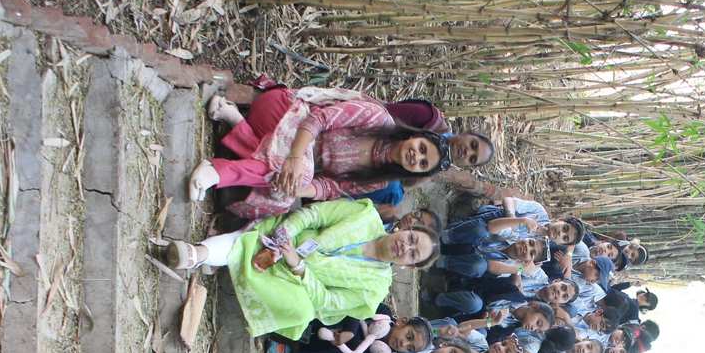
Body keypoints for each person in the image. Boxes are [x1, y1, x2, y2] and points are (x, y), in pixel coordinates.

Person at [189, 86, 491, 218]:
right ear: (417, 137)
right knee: (294, 169)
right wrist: (296, 160)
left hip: (284, 155)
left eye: (422, 163)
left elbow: (331, 187)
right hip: (287, 117)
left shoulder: (380, 181)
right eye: (421, 148)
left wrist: (297, 188)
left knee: (285, 194)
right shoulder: (377, 119)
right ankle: (217, 171)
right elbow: (318, 119)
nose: (417, 156)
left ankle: (235, 122)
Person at [164, 198, 436, 341]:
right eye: (412, 239)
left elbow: (329, 302)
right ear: (407, 228)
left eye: (413, 255)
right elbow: (316, 215)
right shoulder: (366, 215)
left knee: (303, 311)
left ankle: (221, 260)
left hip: (299, 283)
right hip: (288, 236)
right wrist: (286, 235)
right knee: (260, 239)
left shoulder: (375, 291)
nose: (405, 247)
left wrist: (299, 267)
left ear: (409, 267)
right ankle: (199, 254)